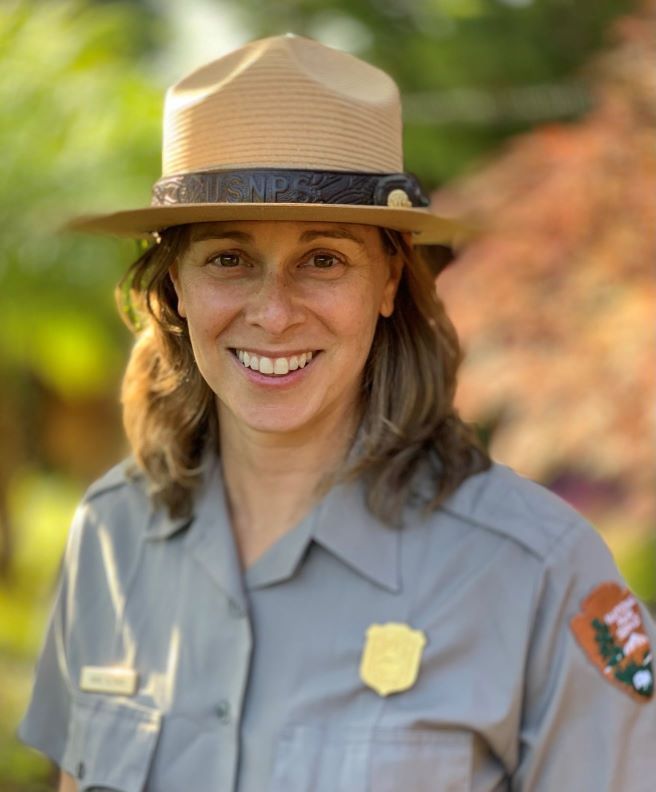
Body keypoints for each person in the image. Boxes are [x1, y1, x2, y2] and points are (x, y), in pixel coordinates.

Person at [19, 34, 655, 792]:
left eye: (324, 260)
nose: (274, 313)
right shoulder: (111, 536)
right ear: (176, 287)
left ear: (389, 281)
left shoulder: (539, 571)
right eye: (228, 259)